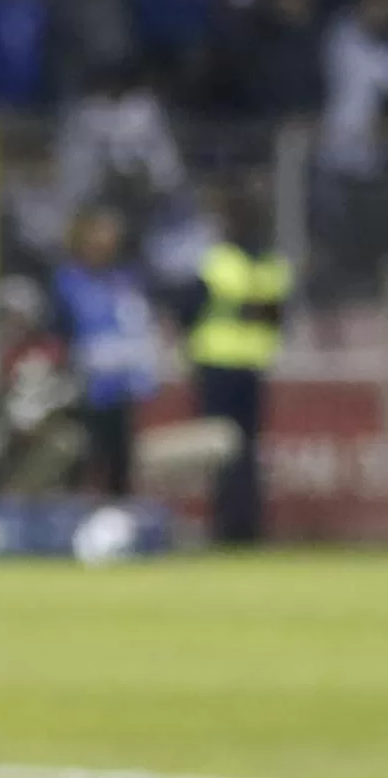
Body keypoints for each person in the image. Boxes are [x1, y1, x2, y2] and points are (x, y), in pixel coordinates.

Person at [181, 184, 291, 544]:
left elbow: (189, 310)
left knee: (220, 450)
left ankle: (225, 526)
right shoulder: (273, 266)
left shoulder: (218, 262)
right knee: (248, 449)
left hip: (217, 363)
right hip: (254, 365)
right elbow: (278, 319)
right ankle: (250, 526)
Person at [51, 208, 159, 500]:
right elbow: (59, 332)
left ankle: (119, 517)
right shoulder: (68, 282)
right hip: (83, 387)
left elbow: (138, 327)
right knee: (82, 456)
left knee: (119, 458)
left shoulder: (126, 282)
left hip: (119, 387)